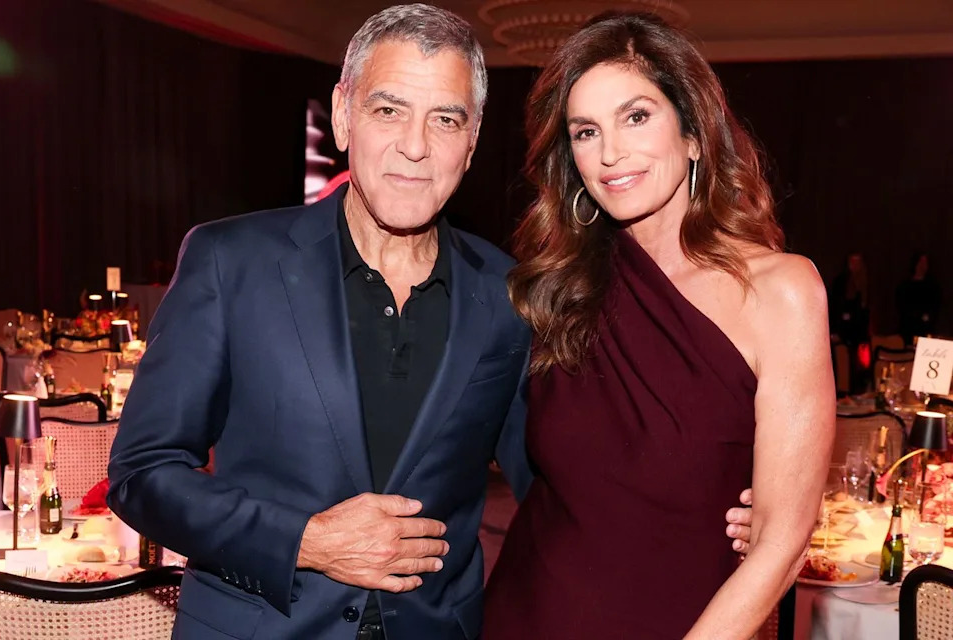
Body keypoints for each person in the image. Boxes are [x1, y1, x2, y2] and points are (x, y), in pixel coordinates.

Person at [107, 6, 754, 640]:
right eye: (388, 110)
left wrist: (718, 506)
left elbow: (566, 472)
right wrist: (304, 541)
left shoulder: (508, 294)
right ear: (342, 116)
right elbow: (142, 472)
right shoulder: (231, 263)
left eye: (445, 119)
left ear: (471, 144)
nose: (415, 147)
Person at [484, 12, 834, 640]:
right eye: (586, 131)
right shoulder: (554, 290)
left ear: (695, 134)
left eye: (636, 116)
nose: (610, 152)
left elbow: (781, 545)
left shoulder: (782, 292)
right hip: (526, 615)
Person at [828, 252, 871, 393]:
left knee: (860, 365)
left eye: (857, 262)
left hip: (858, 333)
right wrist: (835, 331)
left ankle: (860, 390)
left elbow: (864, 312)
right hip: (842, 331)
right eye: (852, 262)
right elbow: (834, 307)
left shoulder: (864, 283)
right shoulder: (841, 282)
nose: (854, 266)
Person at [896, 252, 941, 345]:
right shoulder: (904, 286)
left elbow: (935, 307)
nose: (923, 266)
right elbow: (902, 307)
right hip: (907, 330)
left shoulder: (932, 286)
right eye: (920, 262)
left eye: (925, 263)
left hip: (926, 330)